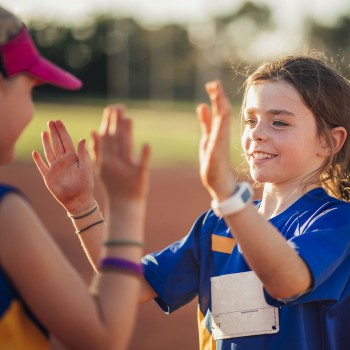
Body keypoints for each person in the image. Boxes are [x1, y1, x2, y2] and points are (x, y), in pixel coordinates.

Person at [37, 54, 350, 349]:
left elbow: (288, 282)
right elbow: (132, 287)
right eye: (250, 120)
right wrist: (82, 207)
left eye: (278, 122)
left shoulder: (336, 222)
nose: (256, 134)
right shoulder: (217, 224)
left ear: (329, 141)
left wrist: (228, 196)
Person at [0, 5, 150, 350]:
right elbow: (103, 335)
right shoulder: (5, 216)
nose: (32, 106)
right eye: (30, 91)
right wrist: (126, 205)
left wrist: (82, 206)